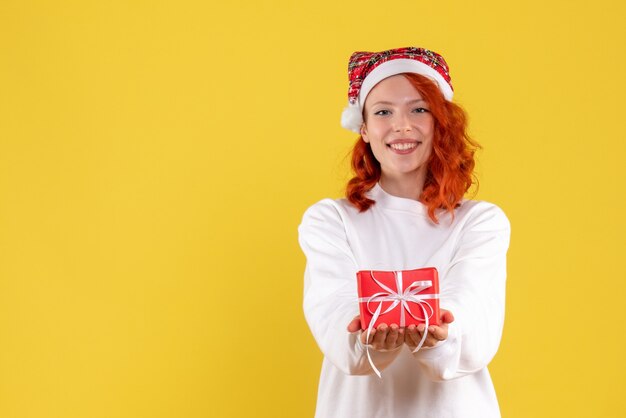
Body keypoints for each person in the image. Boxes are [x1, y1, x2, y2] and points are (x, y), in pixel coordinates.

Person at [298, 47, 511, 418]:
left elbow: (475, 313)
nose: (402, 125)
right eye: (383, 111)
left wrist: (443, 330)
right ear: (363, 128)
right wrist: (363, 334)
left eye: (419, 109)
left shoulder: (480, 222)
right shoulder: (330, 220)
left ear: (440, 122)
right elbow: (334, 311)